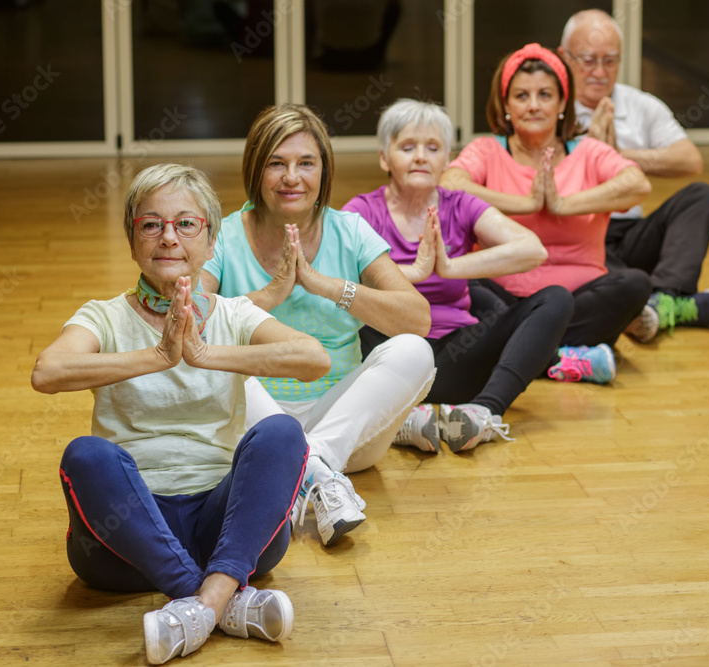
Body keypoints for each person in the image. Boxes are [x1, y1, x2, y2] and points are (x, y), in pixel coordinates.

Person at [31, 164, 332, 664]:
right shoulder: (102, 315)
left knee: (281, 432)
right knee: (86, 455)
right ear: (132, 242)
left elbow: (313, 358)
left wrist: (204, 353)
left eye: (185, 224)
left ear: (212, 241)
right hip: (125, 541)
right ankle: (224, 600)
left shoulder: (235, 314)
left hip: (227, 528)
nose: (168, 237)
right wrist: (157, 357)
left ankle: (198, 604)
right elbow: (47, 372)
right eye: (151, 224)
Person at [201, 103, 436, 548]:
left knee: (414, 351)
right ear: (255, 168)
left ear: (323, 170)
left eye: (306, 163)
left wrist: (328, 286)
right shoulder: (224, 236)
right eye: (277, 163)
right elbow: (188, 321)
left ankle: (307, 467)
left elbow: (417, 318)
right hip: (254, 429)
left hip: (347, 431)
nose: (293, 177)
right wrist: (271, 295)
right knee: (211, 359)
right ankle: (320, 479)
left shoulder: (350, 230)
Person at [344, 98, 599, 454]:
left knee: (555, 298)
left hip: (456, 357)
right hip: (389, 359)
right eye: (407, 147)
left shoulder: (460, 204)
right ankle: (400, 420)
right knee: (347, 311)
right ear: (385, 158)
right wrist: (413, 272)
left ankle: (483, 412)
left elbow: (532, 249)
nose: (420, 156)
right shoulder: (362, 211)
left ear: (446, 158)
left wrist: (450, 267)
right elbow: (334, 275)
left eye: (432, 148)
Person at [441, 42, 653, 359]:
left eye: (545, 95)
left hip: (576, 298)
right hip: (502, 298)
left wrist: (562, 204)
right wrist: (526, 203)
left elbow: (637, 184)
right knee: (460, 286)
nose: (534, 106)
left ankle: (519, 351)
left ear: (562, 102)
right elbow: (450, 185)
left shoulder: (588, 152)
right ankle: (564, 356)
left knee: (634, 285)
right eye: (522, 96)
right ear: (506, 105)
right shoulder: (487, 150)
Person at [558, 9, 709, 342]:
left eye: (610, 61)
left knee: (702, 195)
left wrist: (618, 156)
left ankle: (662, 300)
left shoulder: (640, 105)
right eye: (588, 60)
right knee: (605, 274)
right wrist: (588, 154)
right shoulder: (550, 107)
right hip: (580, 235)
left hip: (631, 232)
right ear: (563, 57)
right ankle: (675, 305)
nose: (599, 72)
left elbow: (689, 160)